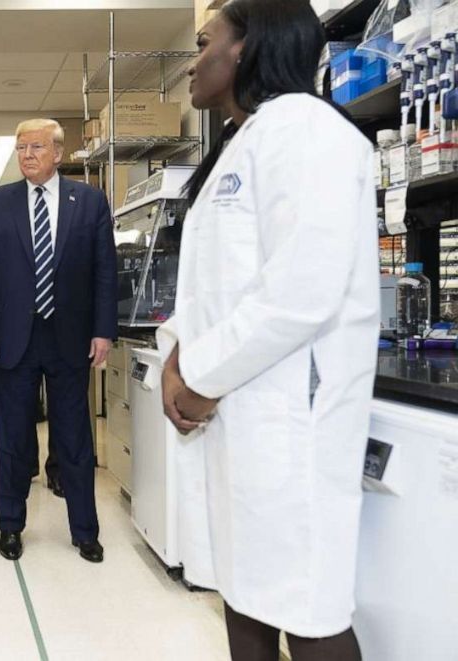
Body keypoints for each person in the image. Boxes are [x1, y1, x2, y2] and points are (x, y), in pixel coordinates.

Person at [158, 2, 379, 659]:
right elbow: (210, 290)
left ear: (245, 48)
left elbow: (298, 293)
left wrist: (196, 377)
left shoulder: (308, 131)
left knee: (307, 606)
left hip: (288, 420)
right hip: (240, 414)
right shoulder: (243, 141)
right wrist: (178, 361)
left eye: (203, 43)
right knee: (246, 588)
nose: (192, 62)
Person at [0, 118, 116, 563]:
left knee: (74, 439)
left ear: (57, 152)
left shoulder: (89, 202)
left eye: (36, 147)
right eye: (20, 148)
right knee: (13, 437)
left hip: (69, 337)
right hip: (13, 338)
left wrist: (103, 329)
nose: (27, 155)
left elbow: (104, 271)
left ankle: (84, 530)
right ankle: (10, 526)